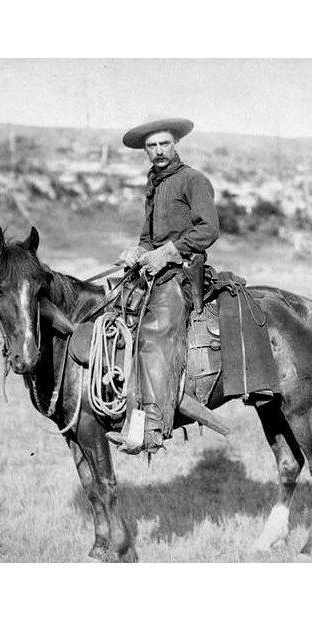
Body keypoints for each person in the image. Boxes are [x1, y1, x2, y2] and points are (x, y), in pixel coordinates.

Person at [105, 116, 219, 455]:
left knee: (155, 334)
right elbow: (147, 237)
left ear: (176, 144)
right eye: (151, 146)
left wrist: (168, 252)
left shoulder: (193, 180)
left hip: (182, 272)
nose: (158, 151)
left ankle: (153, 427)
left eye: (164, 144)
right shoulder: (155, 183)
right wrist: (137, 252)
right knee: (114, 314)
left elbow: (208, 230)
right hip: (155, 270)